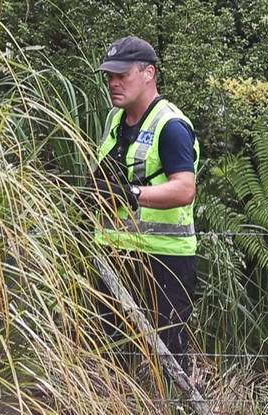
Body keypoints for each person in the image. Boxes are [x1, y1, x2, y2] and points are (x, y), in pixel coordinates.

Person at [90, 36, 199, 371]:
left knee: (167, 360)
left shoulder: (171, 126)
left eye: (122, 75)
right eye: (110, 75)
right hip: (114, 253)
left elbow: (184, 189)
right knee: (108, 356)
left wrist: (133, 195)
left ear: (149, 73)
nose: (113, 82)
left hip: (163, 259)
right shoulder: (114, 119)